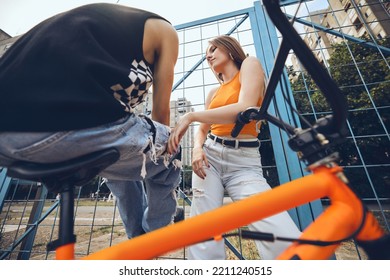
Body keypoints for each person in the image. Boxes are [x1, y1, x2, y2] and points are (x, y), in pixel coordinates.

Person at [0, 3, 181, 238]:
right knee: (172, 146)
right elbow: (161, 118)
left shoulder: (85, 27)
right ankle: (150, 239)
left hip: (8, 137)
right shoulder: (165, 30)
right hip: (67, 126)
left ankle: (138, 240)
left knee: (118, 156)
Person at [168, 35, 301, 259]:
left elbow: (245, 107)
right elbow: (203, 130)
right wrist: (197, 148)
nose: (208, 55)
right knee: (203, 231)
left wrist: (190, 116)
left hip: (244, 162)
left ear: (230, 49)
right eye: (206, 53)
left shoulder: (250, 64)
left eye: (213, 48)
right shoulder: (214, 93)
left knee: (281, 234)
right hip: (210, 157)